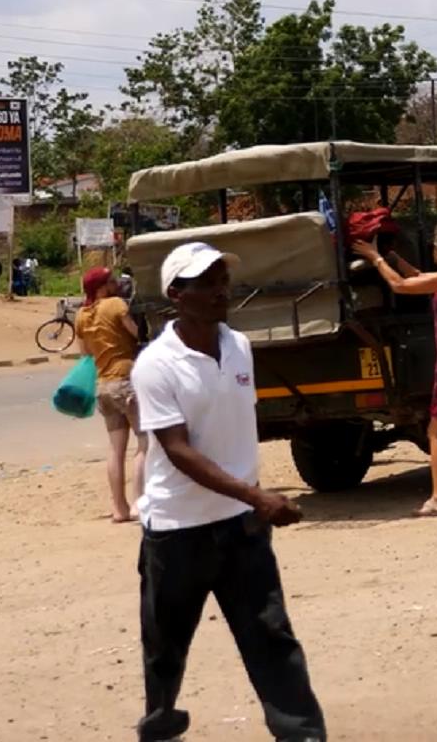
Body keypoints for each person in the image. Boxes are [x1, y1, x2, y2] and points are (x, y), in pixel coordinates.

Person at [131, 243, 325, 741]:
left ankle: (302, 734)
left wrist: (252, 500)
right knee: (165, 646)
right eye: (207, 281)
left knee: (271, 637)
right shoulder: (155, 365)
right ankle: (161, 725)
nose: (221, 289)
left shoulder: (238, 345)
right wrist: (258, 496)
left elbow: (236, 426)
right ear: (176, 294)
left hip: (243, 529)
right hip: (178, 533)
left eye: (222, 277)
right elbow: (177, 450)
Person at [352, 222, 437, 516]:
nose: (432, 250)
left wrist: (377, 259)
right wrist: (395, 258)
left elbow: (400, 285)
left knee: (436, 431)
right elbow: (420, 277)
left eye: (436, 246)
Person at [77, 266, 146, 524]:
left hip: (103, 386)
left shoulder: (82, 315)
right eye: (111, 280)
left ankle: (119, 508)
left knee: (116, 450)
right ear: (102, 288)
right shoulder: (116, 305)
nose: (116, 283)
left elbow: (84, 353)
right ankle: (139, 502)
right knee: (145, 442)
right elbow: (137, 333)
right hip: (126, 380)